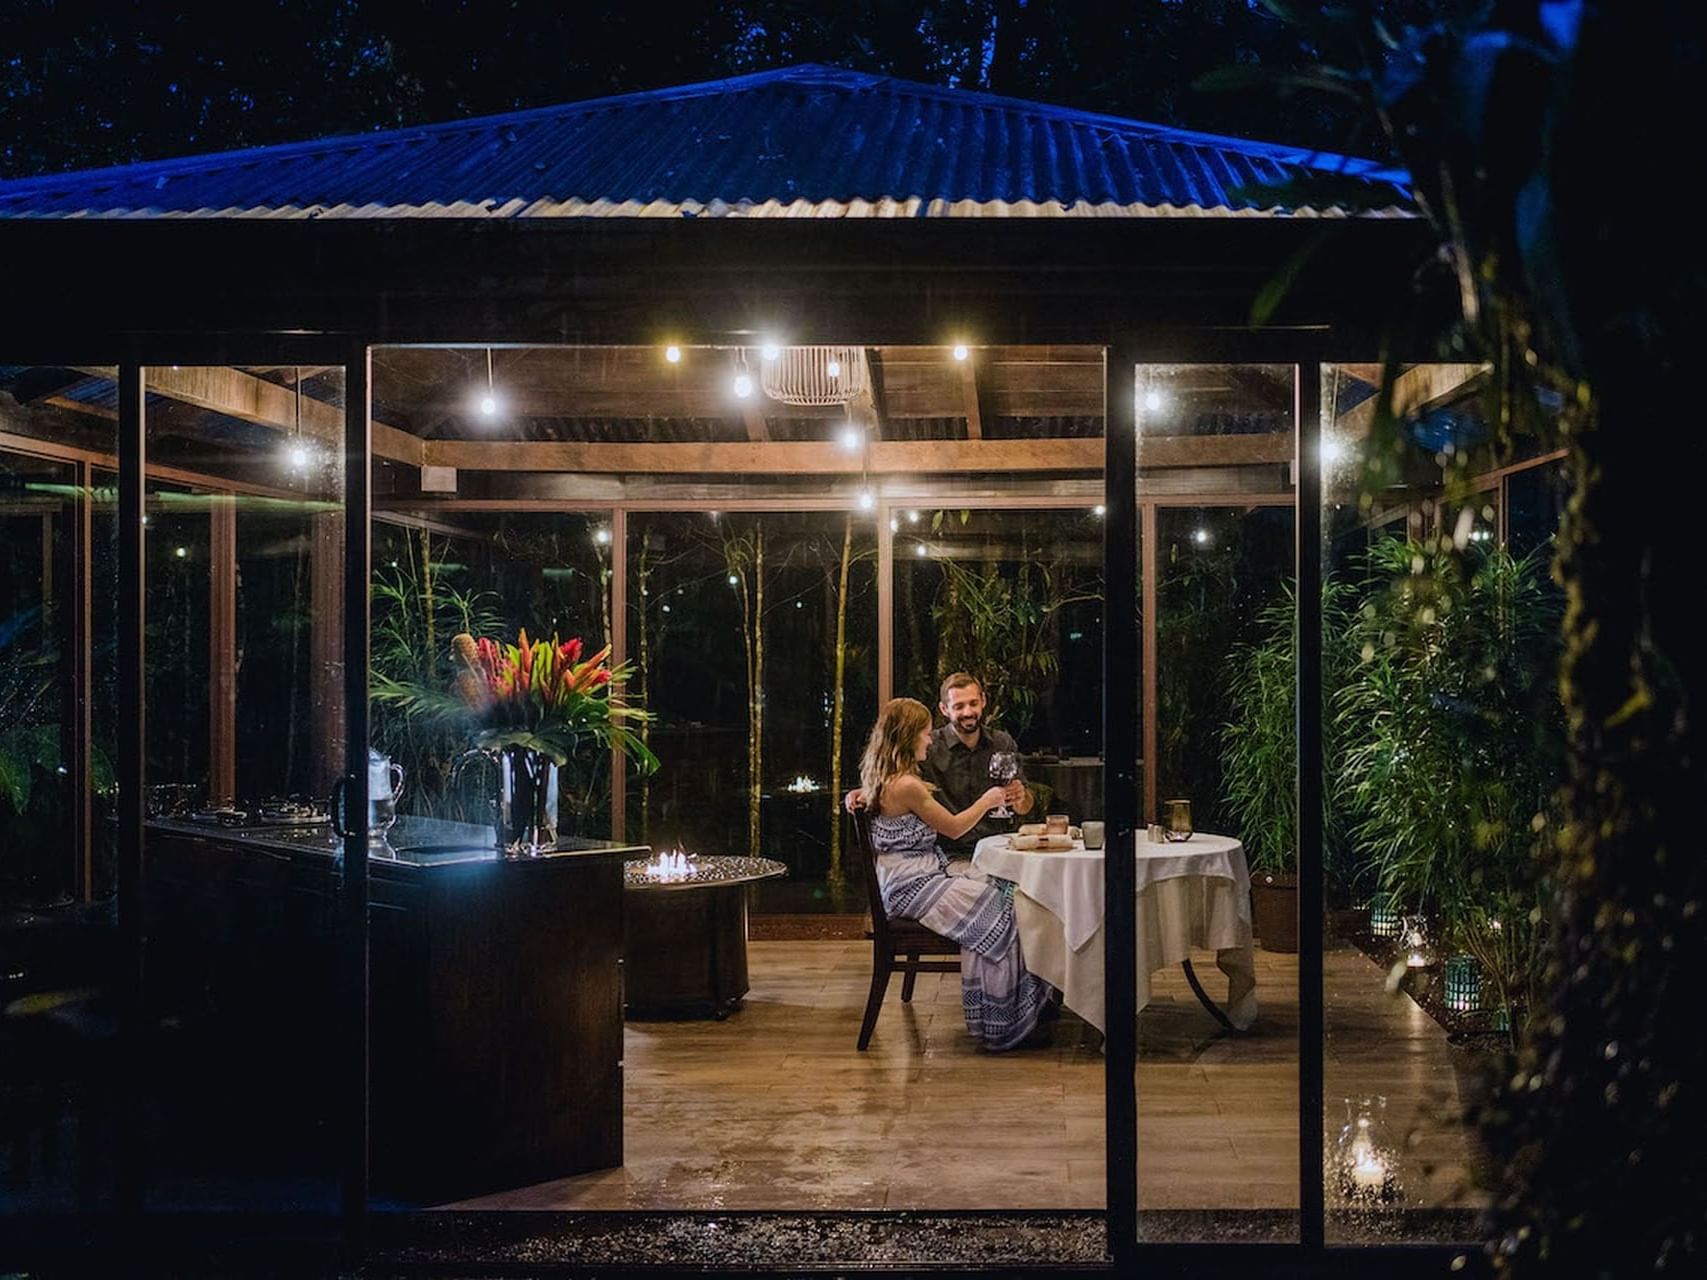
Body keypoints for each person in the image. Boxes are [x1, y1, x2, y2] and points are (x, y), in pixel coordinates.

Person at [857, 696, 1053, 1051]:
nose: (929, 740)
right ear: (907, 736)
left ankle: (1013, 1009)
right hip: (912, 887)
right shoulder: (907, 786)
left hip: (912, 878)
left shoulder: (885, 776)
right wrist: (989, 801)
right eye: (925, 734)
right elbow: (954, 829)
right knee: (1006, 909)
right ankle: (1003, 1022)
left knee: (1005, 890)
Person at [846, 672, 1034, 863]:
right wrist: (861, 792)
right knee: (1012, 893)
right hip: (948, 856)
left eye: (973, 703)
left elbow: (1025, 806)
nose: (968, 712)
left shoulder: (1002, 743)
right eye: (959, 706)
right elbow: (897, 785)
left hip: (997, 849)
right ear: (944, 709)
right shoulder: (928, 747)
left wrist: (1020, 798)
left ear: (983, 701)